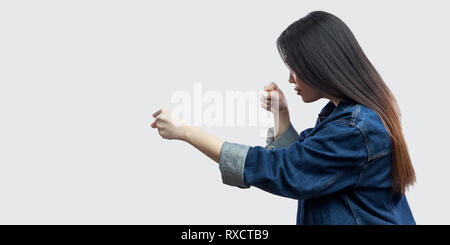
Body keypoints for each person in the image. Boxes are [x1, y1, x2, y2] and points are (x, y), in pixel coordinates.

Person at [150, 10, 416, 225]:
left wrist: (186, 131)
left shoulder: (356, 129)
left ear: (320, 66)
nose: (290, 79)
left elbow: (285, 171)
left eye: (295, 68)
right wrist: (281, 116)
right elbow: (308, 168)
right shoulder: (348, 117)